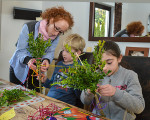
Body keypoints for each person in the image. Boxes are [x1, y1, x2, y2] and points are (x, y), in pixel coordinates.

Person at [9, 6, 74, 92]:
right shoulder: (29, 27)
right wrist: (29, 60)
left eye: (60, 32)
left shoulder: (56, 36)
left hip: (36, 70)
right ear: (50, 19)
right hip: (19, 68)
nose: (56, 33)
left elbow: (50, 52)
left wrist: (46, 60)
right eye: (57, 28)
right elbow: (20, 51)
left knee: (35, 97)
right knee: (17, 96)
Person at [80, 41, 145, 120]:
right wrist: (88, 93)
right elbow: (85, 102)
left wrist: (116, 92)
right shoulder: (94, 75)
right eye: (100, 63)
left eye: (109, 62)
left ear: (119, 58)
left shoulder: (130, 76)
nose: (104, 68)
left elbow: (139, 107)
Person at [41, 33, 86, 106]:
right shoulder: (59, 64)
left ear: (77, 53)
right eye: (63, 50)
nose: (63, 54)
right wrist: (45, 81)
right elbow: (52, 84)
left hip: (65, 105)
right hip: (49, 100)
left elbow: (79, 95)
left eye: (67, 51)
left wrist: (75, 82)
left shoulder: (80, 68)